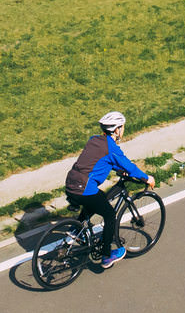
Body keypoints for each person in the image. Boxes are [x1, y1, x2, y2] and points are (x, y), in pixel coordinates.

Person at [64, 110, 154, 268]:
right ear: (117, 129)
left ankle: (74, 231)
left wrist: (116, 168)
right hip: (84, 187)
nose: (123, 130)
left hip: (71, 182)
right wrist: (147, 178)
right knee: (110, 214)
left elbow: (98, 161)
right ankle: (106, 256)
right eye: (123, 127)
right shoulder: (112, 148)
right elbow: (130, 167)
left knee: (97, 200)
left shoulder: (94, 140)